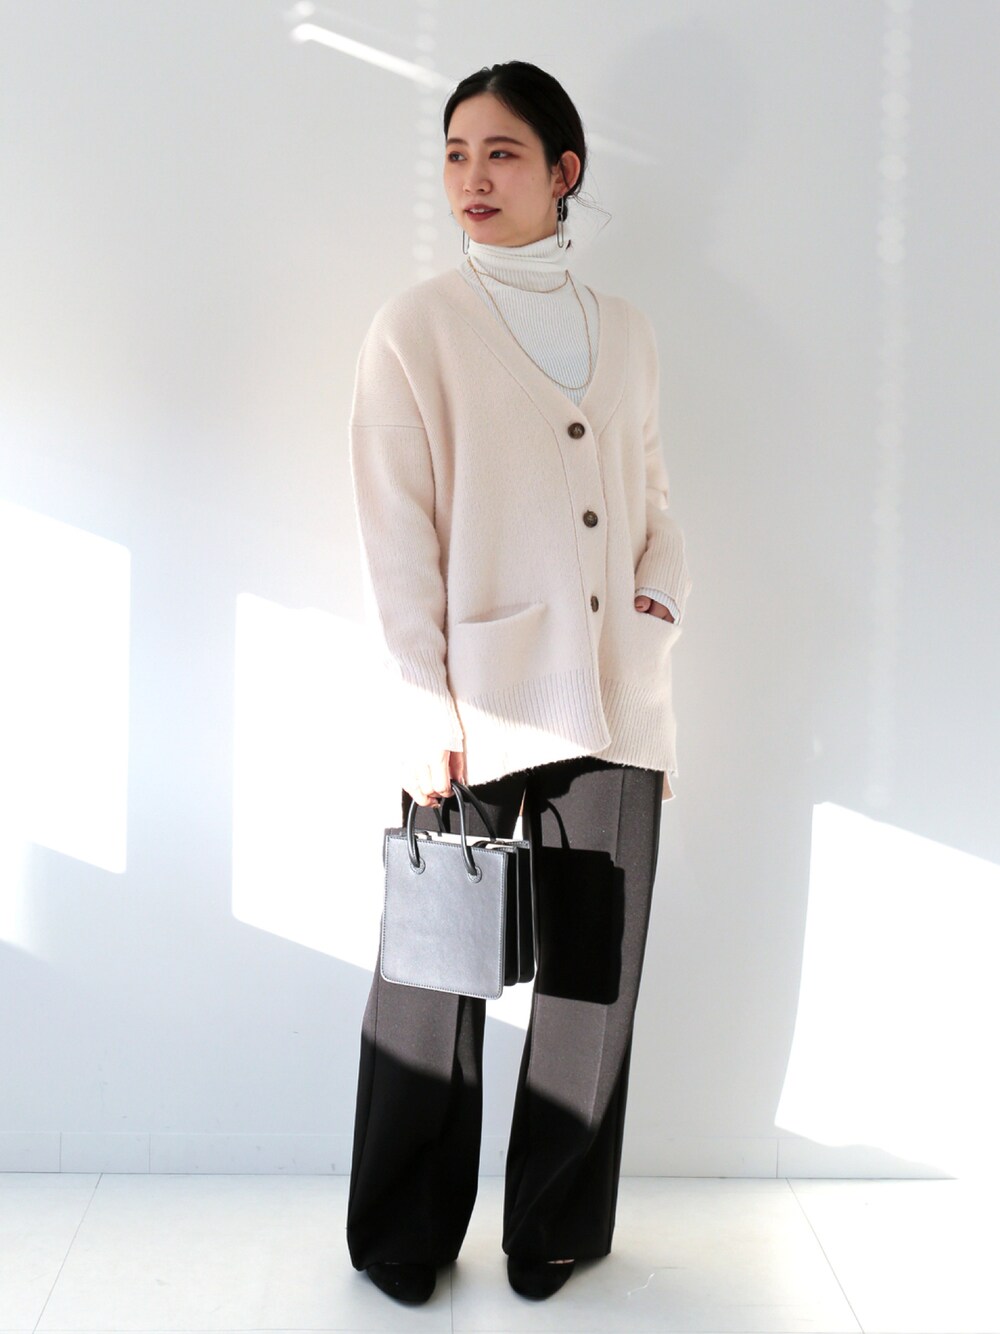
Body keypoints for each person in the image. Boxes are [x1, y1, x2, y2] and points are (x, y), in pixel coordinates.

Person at [345, 60, 693, 1306]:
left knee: (592, 977)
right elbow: (395, 530)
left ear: (564, 171)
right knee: (433, 975)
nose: (471, 178)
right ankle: (403, 1226)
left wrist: (657, 600)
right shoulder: (416, 328)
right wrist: (421, 699)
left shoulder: (627, 330)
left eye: (500, 152)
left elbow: (653, 499)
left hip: (616, 697)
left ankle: (555, 1222)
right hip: (473, 700)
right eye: (455, 153)